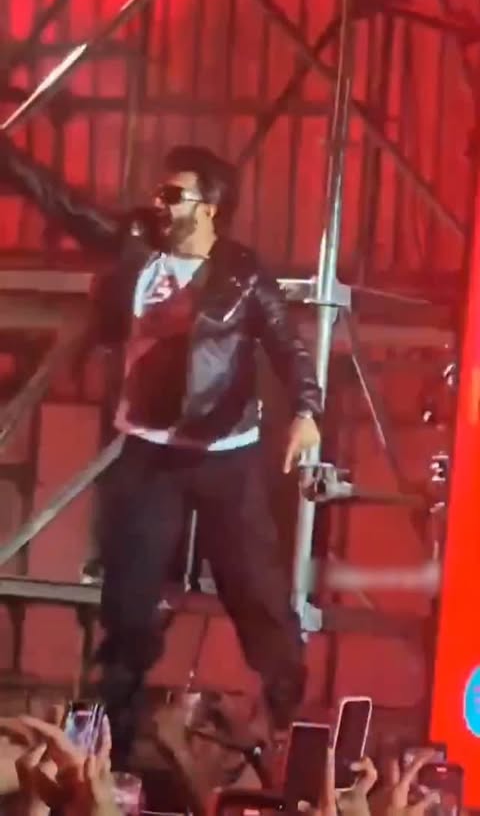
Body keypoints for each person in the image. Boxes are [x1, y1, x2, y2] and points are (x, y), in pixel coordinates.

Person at [0, 135, 323, 762]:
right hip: (148, 453)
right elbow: (65, 205)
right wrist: (10, 159)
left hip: (224, 452)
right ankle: (111, 744)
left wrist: (307, 411)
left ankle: (286, 720)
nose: (159, 203)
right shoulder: (137, 245)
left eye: (174, 195)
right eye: (159, 192)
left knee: (257, 592)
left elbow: (288, 346)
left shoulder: (242, 273)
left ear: (209, 208)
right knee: (128, 601)